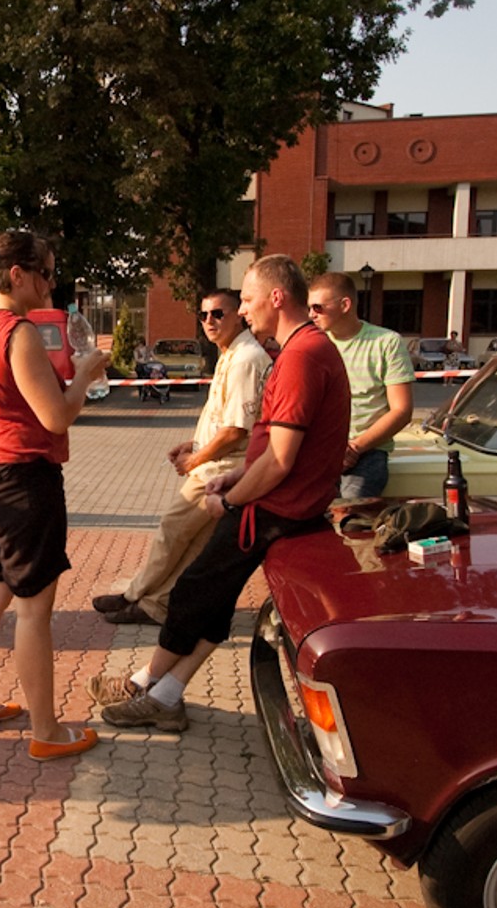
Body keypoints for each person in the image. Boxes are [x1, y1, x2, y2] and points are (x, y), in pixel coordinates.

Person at [98, 253, 349, 733]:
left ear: (277, 297)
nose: (244, 310)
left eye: (248, 300)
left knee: (193, 590)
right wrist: (236, 476)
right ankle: (161, 691)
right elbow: (277, 447)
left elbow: (280, 459)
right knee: (214, 595)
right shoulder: (304, 349)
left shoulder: (300, 355)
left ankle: (148, 685)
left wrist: (231, 499)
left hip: (274, 507)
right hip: (281, 501)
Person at [0, 229, 108, 761]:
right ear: (17, 274)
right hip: (23, 478)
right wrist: (84, 375)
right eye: (45, 272)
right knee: (33, 610)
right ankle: (46, 731)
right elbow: (56, 416)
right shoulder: (19, 333)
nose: (51, 283)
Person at [89, 288, 269, 627]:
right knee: (193, 544)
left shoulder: (245, 359)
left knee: (172, 530)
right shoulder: (231, 353)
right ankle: (155, 605)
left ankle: (135, 596)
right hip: (220, 463)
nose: (209, 321)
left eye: (218, 313)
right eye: (203, 315)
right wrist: (193, 443)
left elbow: (235, 431)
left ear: (238, 316)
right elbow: (224, 419)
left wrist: (195, 460)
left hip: (223, 468)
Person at [306, 271, 415, 498]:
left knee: (348, 513)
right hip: (320, 452)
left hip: (367, 453)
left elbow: (402, 410)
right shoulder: (313, 345)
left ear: (345, 305)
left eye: (317, 307)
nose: (311, 315)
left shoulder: (386, 342)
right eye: (309, 308)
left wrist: (354, 447)